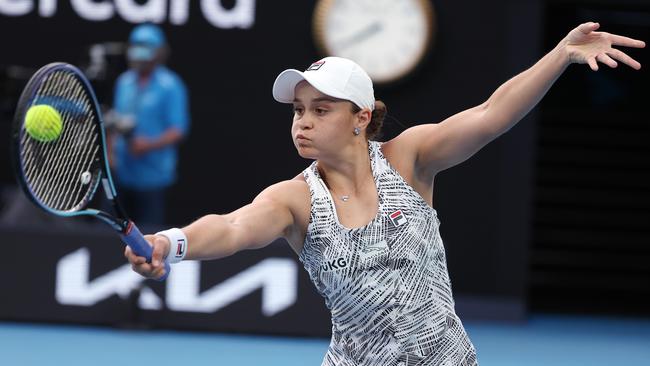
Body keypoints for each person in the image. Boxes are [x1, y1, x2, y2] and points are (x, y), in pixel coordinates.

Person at [125, 23, 644, 365]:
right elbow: (234, 227)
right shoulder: (295, 200)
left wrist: (559, 56)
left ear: (362, 118)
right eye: (297, 111)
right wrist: (173, 242)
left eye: (321, 110)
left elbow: (492, 115)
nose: (303, 123)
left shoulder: (410, 158)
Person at [110, 24, 190, 226]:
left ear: (159, 52)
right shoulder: (123, 82)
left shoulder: (171, 85)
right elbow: (114, 121)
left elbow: (178, 130)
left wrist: (148, 144)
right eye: (136, 46)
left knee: (149, 236)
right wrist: (110, 153)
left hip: (153, 176)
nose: (139, 53)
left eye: (146, 46)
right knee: (114, 230)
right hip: (122, 173)